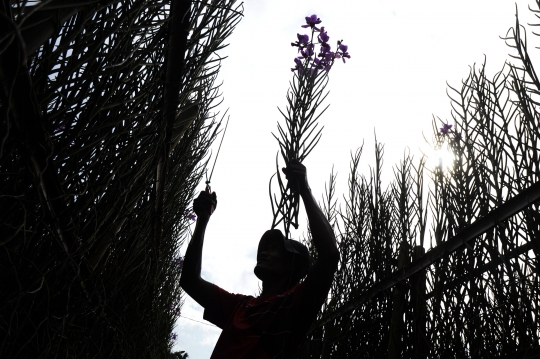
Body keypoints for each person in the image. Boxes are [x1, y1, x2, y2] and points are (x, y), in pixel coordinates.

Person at [180, 160, 339, 358]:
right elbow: (189, 281)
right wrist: (203, 219)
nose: (264, 252)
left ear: (292, 265)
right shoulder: (239, 306)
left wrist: (304, 190)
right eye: (265, 248)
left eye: (274, 249)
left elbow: (330, 255)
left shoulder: (294, 305)